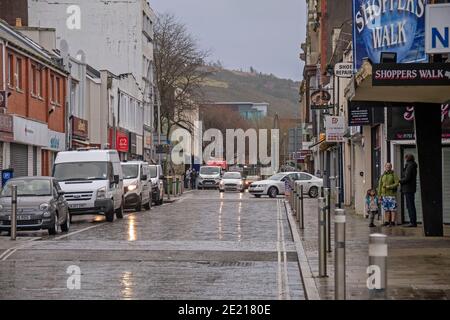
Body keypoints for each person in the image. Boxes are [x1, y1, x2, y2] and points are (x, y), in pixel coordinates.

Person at [377, 163, 400, 227]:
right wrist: (379, 195)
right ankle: (387, 221)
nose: (388, 167)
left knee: (392, 209)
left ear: (391, 167)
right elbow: (380, 185)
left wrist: (389, 187)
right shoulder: (383, 175)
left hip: (391, 195)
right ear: (385, 167)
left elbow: (397, 183)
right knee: (386, 209)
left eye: (389, 166)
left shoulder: (393, 174)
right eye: (387, 166)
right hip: (384, 195)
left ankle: (392, 222)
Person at [400, 154, 418, 228]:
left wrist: (400, 181)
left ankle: (412, 222)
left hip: (408, 189)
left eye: (405, 158)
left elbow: (407, 178)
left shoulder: (410, 166)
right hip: (410, 188)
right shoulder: (412, 165)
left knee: (410, 206)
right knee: (410, 205)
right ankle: (412, 221)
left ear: (407, 158)